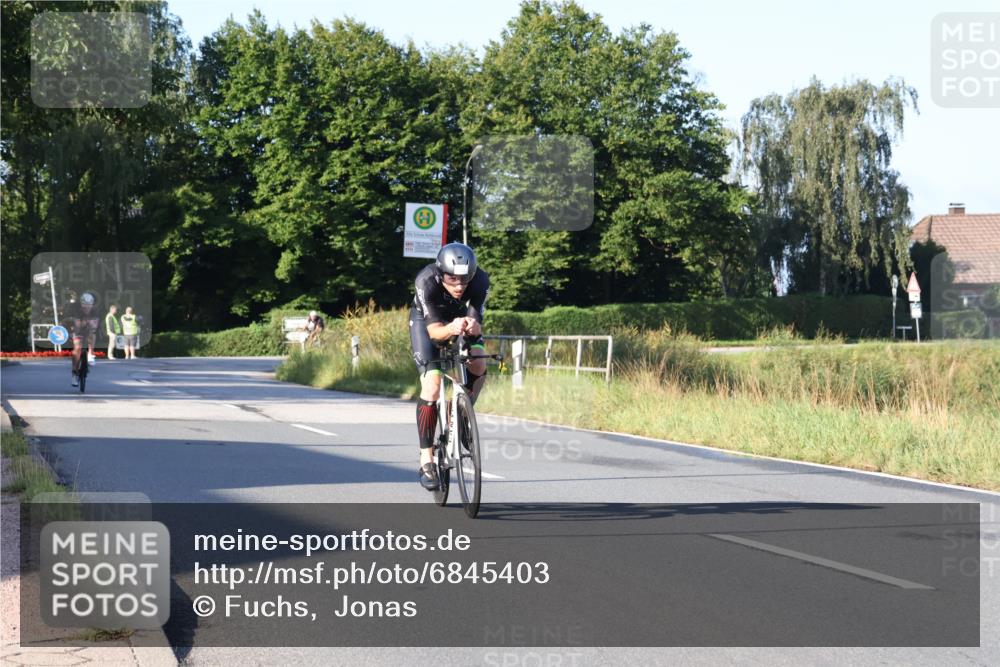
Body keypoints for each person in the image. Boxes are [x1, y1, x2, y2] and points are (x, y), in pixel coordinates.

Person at [409, 243, 490, 491]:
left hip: (460, 320)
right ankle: (426, 460)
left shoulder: (481, 281)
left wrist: (472, 327)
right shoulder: (426, 280)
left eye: (464, 280)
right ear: (440, 271)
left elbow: (476, 322)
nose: (458, 285)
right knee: (432, 385)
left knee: (479, 361)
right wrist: (451, 328)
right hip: (427, 322)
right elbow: (435, 332)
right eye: (452, 279)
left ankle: (461, 414)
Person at [66, 291, 100, 386]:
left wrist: (88, 324)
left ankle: (90, 354)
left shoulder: (95, 310)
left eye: (89, 305)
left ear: (92, 305)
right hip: (78, 331)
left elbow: (95, 326)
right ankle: (74, 373)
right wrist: (85, 323)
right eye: (85, 305)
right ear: (81, 304)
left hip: (89, 331)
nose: (87, 308)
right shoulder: (77, 311)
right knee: (77, 349)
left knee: (92, 333)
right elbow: (77, 326)